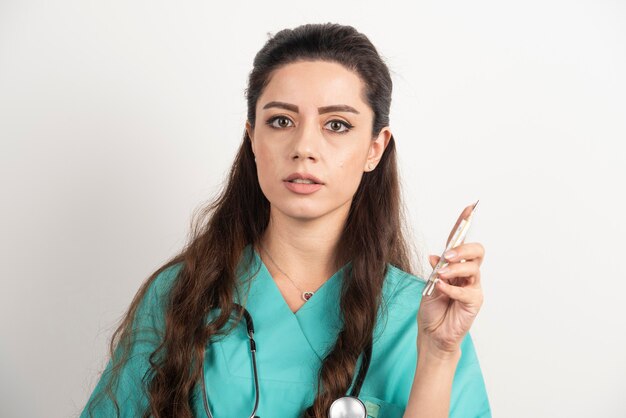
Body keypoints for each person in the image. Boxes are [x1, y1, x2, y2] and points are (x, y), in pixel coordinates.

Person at [80, 22, 491, 418]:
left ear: (375, 148)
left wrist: (437, 355)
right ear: (253, 137)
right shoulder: (180, 295)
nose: (304, 146)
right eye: (281, 121)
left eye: (337, 125)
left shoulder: (422, 318)